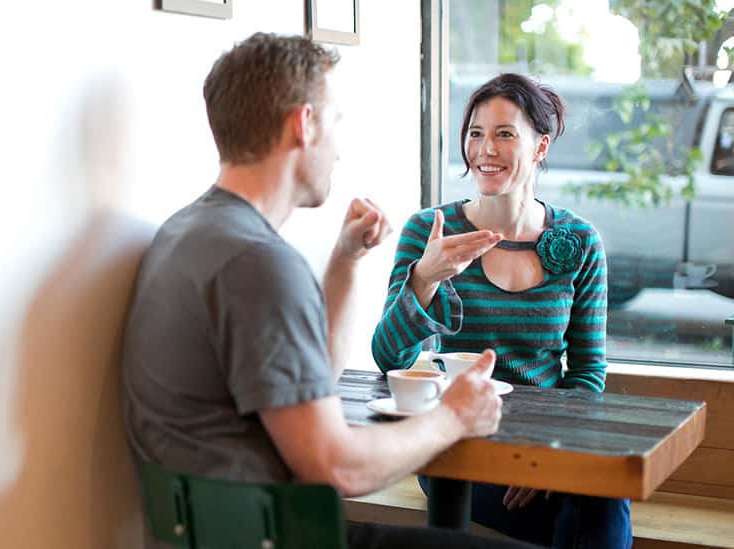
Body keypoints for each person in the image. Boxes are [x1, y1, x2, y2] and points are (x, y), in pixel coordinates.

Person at [121, 33, 536, 549]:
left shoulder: (190, 233)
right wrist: (453, 416)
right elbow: (337, 468)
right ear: (304, 124)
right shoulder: (258, 263)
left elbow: (315, 374)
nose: (339, 147)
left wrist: (345, 260)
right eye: (336, 121)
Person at [371, 72, 632, 548]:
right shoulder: (430, 231)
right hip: (456, 446)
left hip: (545, 446)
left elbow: (588, 372)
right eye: (476, 133)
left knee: (598, 497)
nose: (485, 149)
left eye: (504, 134)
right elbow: (389, 359)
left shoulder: (580, 242)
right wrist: (425, 278)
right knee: (585, 512)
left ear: (540, 147)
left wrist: (549, 454)